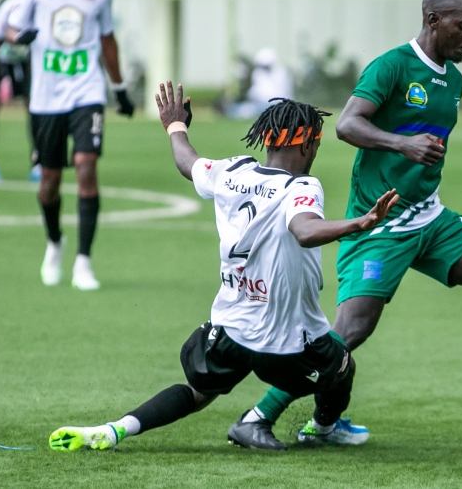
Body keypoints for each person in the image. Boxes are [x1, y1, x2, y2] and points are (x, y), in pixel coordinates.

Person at [246, 0, 462, 437]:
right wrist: (402, 144)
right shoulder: (392, 66)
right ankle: (259, 417)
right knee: (351, 330)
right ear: (433, 20)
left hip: (432, 219)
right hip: (381, 223)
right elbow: (347, 124)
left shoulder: (454, 80)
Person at [49, 85, 394, 452]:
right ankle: (322, 429)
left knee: (197, 393)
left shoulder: (232, 170)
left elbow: (188, 162)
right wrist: (360, 223)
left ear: (268, 139)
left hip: (230, 330)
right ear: (308, 145)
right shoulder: (301, 186)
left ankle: (116, 429)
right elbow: (305, 230)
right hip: (286, 344)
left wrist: (175, 126)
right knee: (342, 366)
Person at [6, 0, 136, 290]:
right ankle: (54, 243)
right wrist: (20, 37)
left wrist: (119, 89)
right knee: (48, 182)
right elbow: (12, 26)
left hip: (87, 91)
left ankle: (83, 262)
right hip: (46, 98)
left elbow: (107, 39)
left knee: (85, 165)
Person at [0, 0, 40, 185]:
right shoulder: (13, 9)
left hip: (20, 55)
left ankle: (38, 164)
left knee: (34, 105)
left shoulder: (44, 8)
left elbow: (35, 51)